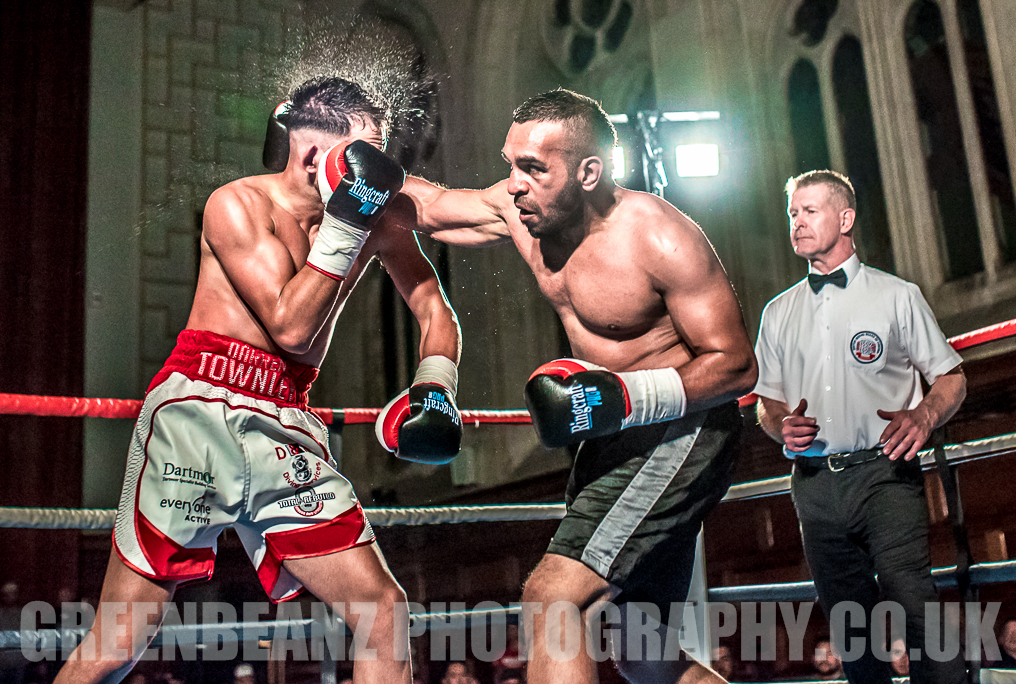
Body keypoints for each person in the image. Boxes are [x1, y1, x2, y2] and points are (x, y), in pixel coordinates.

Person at [54, 76, 464, 684]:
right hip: (201, 409)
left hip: (286, 418)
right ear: (309, 156)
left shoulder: (370, 216)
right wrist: (347, 222)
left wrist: (436, 384)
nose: (376, 168)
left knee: (383, 611)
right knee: (119, 642)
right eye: (364, 153)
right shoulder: (237, 205)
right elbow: (291, 326)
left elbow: (437, 298)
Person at [398, 88, 758, 683]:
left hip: (681, 434)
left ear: (589, 172)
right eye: (511, 164)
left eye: (534, 168)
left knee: (553, 600)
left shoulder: (656, 236)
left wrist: (623, 398)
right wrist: (345, 160)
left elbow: (736, 365)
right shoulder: (520, 212)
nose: (513, 184)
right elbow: (432, 207)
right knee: (644, 657)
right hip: (610, 436)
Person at [753, 169, 969, 683]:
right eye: (791, 214)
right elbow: (767, 404)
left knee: (913, 600)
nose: (797, 223)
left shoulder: (897, 295)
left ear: (845, 217)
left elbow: (952, 378)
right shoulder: (778, 312)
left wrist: (924, 414)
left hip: (885, 472)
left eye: (810, 211)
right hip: (814, 483)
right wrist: (782, 425)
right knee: (851, 623)